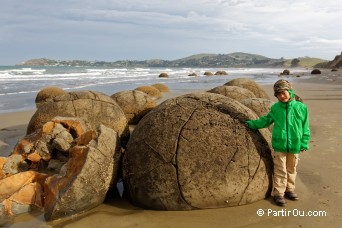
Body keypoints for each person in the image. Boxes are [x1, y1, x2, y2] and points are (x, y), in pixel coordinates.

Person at [245, 79, 310, 206]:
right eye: (278, 94)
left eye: (283, 92)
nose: (281, 96)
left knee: (291, 169)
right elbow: (266, 120)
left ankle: (290, 189)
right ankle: (279, 193)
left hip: (295, 145)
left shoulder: (301, 108)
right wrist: (253, 124)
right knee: (280, 169)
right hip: (279, 145)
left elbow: (305, 127)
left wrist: (304, 143)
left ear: (290, 91)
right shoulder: (276, 108)